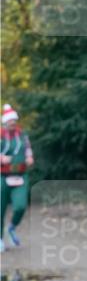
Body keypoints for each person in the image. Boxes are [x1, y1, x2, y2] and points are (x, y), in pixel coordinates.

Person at [1, 104, 34, 253]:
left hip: (20, 176)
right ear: (5, 122)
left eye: (14, 120)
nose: (13, 123)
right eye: (10, 121)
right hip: (2, 176)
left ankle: (11, 227)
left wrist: (29, 157)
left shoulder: (22, 135)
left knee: (21, 206)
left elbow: (27, 149)